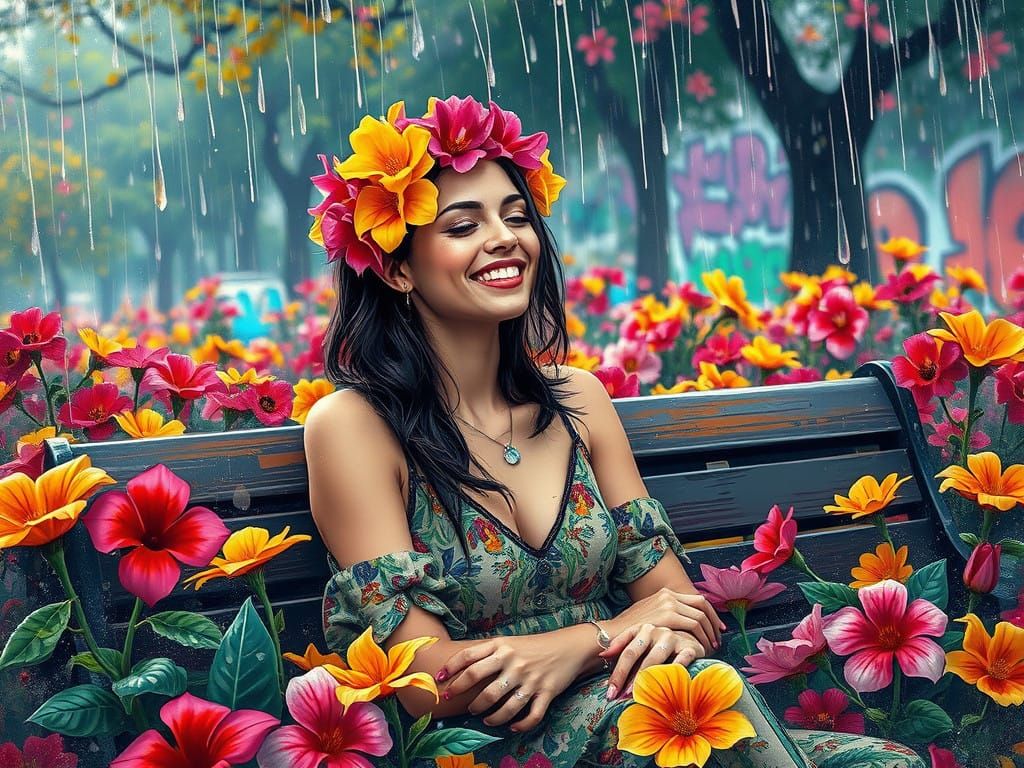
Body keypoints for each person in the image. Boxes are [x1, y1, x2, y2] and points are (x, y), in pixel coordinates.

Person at [302, 95, 925, 767]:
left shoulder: (579, 401)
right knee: (677, 717)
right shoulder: (355, 427)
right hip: (488, 745)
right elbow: (426, 682)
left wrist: (584, 642)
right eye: (462, 225)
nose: (506, 237)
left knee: (879, 761)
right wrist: (619, 631)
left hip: (643, 713)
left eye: (517, 216)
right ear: (397, 267)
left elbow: (684, 612)